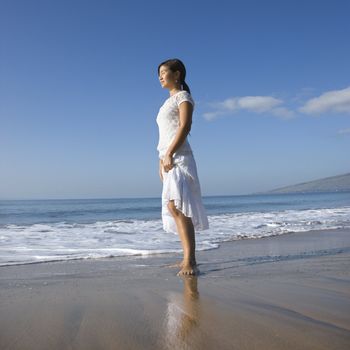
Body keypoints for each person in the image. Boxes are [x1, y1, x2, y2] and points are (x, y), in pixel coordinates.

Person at [156, 58, 209, 276]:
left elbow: (185, 127)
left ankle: (191, 260)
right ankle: (186, 257)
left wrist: (169, 153)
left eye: (163, 72)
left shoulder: (183, 97)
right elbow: (165, 133)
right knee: (173, 206)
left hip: (179, 157)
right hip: (167, 158)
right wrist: (161, 159)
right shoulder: (164, 104)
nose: (160, 76)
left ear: (177, 75)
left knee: (179, 206)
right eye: (158, 73)